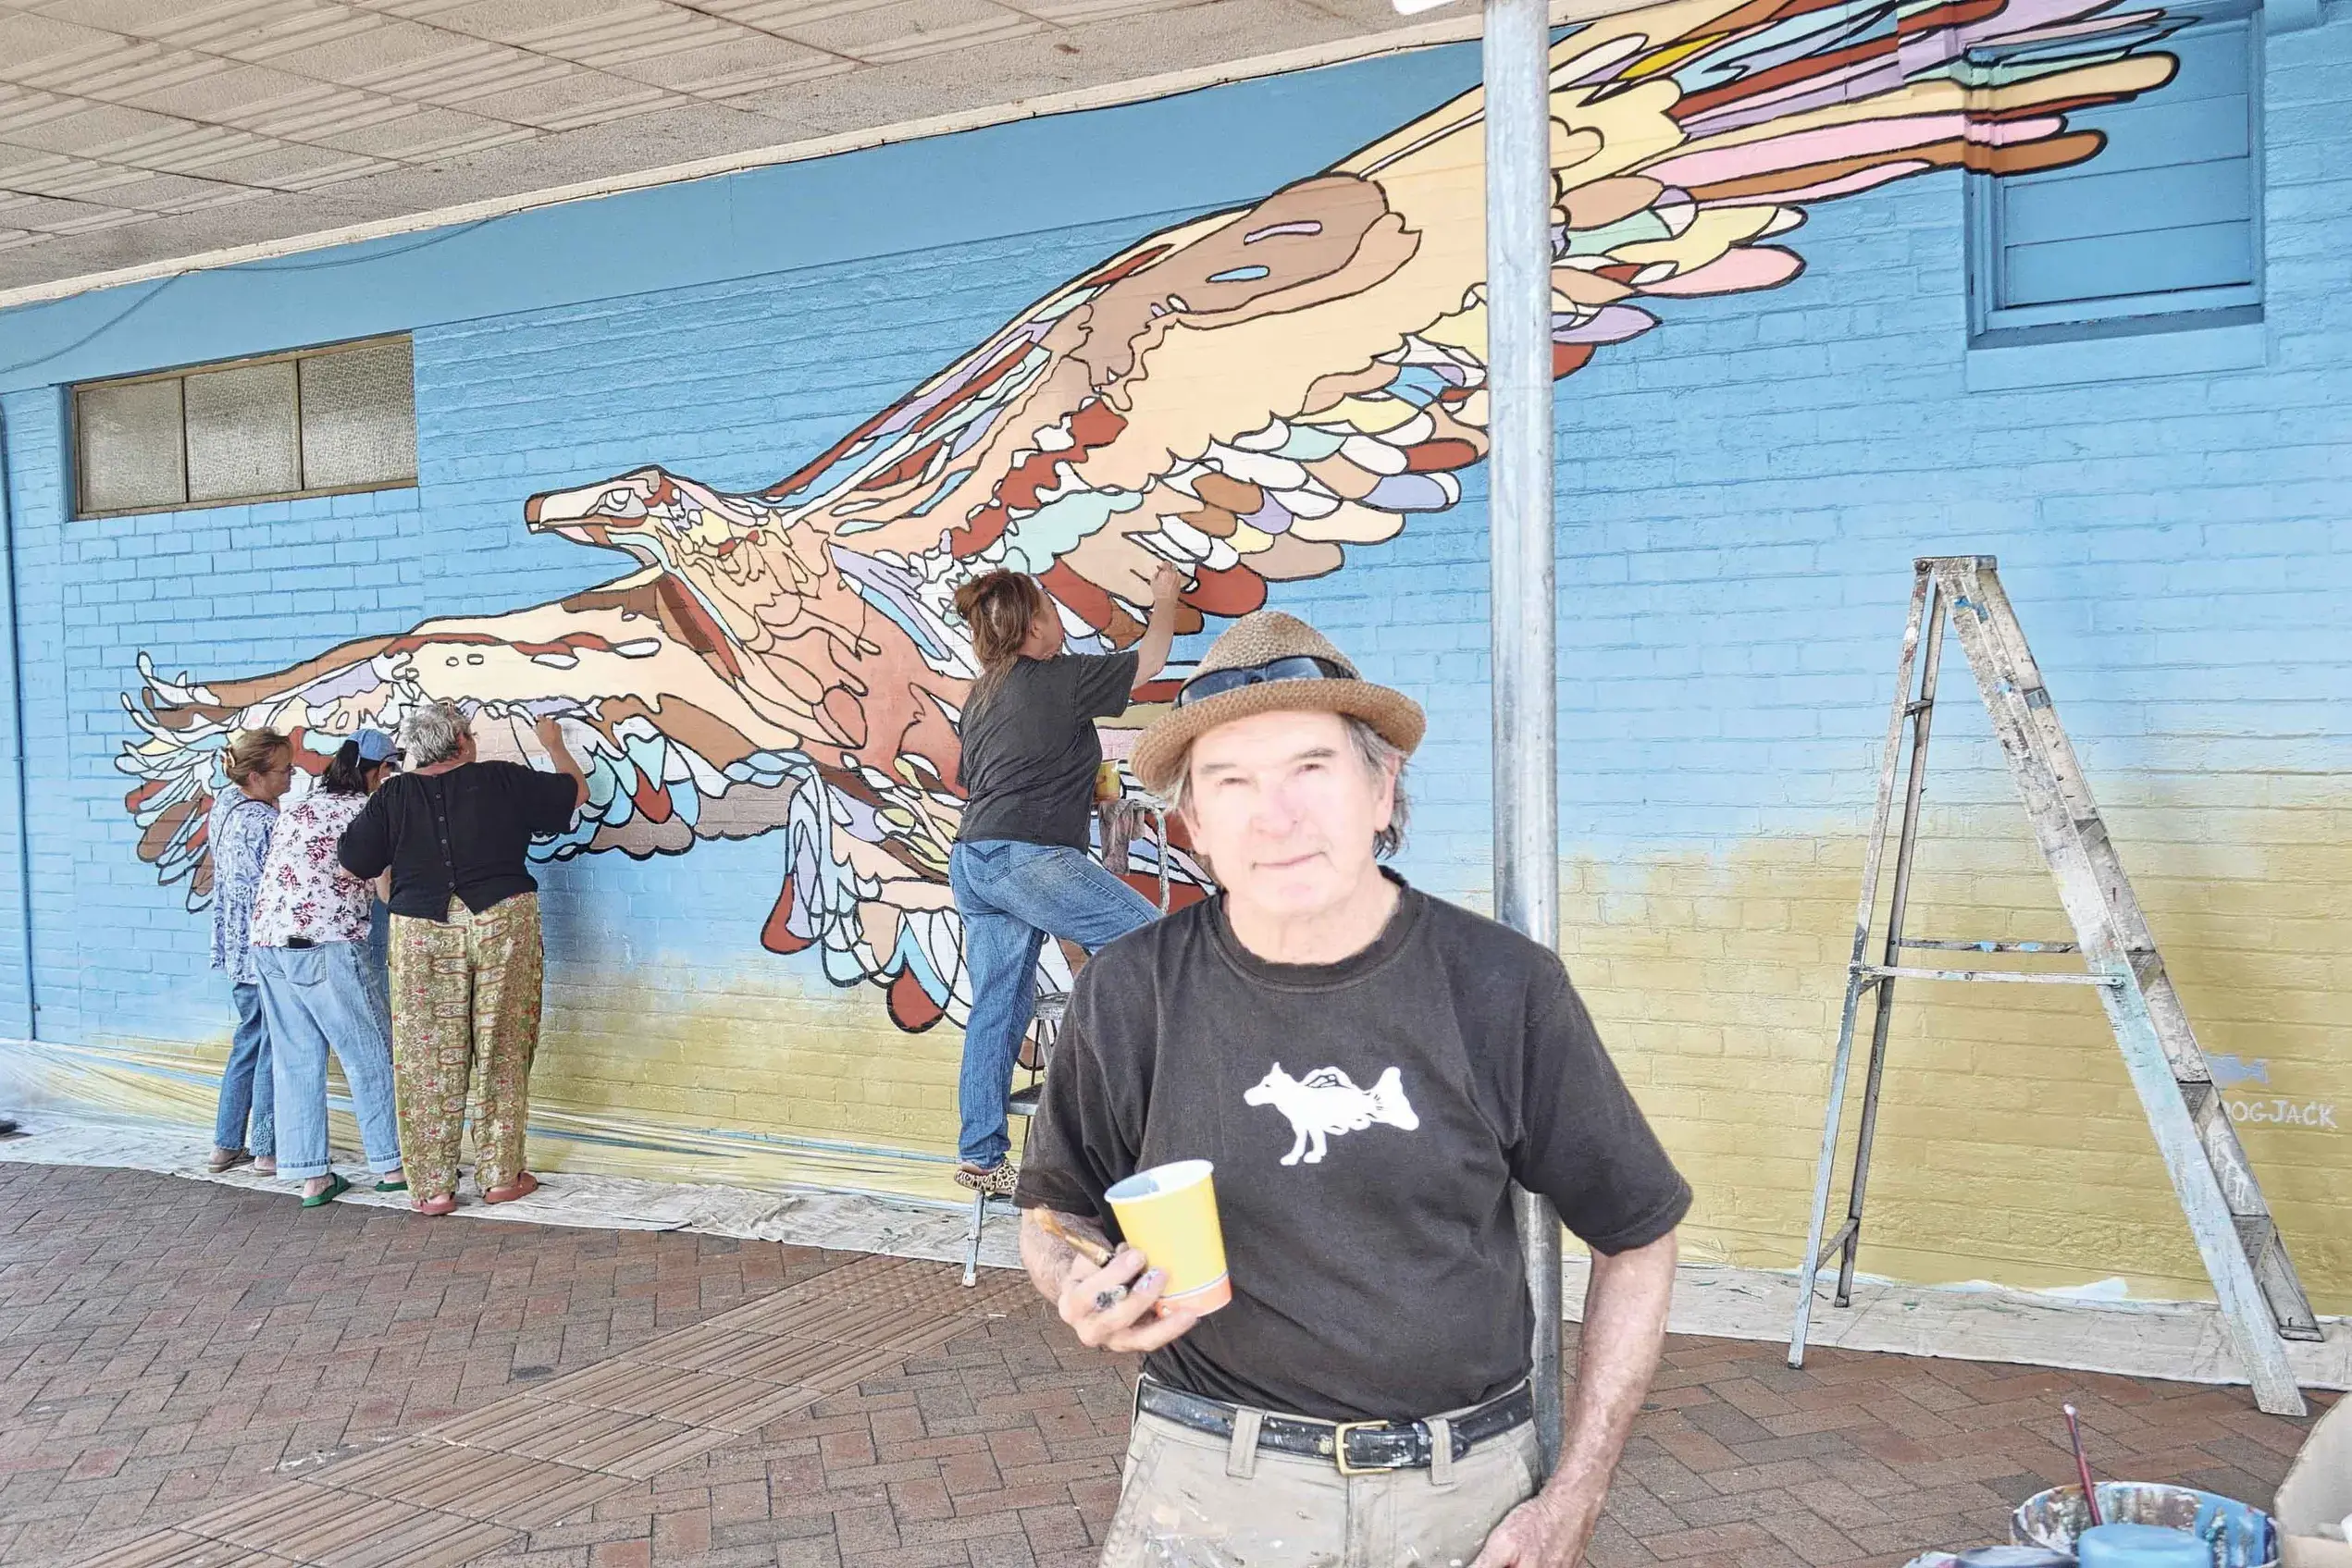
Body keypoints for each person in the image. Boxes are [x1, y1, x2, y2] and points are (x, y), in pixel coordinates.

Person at [1013, 611, 1690, 1568]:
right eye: (1230, 782)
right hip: (1209, 1487)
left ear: (1383, 786)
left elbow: (1638, 1234)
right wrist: (1075, 1278)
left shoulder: (1501, 987)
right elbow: (1053, 1207)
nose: (1273, 816)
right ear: (1195, 824)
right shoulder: (1130, 993)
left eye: (1310, 769)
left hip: (1464, 1497)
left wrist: (1574, 1495)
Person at [949, 563, 1185, 1198]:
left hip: (975, 859)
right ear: (1033, 628)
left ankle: (981, 1155)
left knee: (1000, 1003)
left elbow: (984, 776)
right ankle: (1136, 1110)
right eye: (1052, 610)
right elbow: (1154, 658)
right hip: (1030, 856)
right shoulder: (1064, 677)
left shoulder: (983, 694)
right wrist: (1165, 597)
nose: (1061, 621)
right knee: (1156, 944)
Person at [338, 701, 586, 1216]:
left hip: (421, 931)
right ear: (463, 743)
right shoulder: (501, 779)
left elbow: (357, 858)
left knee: (427, 1056)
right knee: (504, 1045)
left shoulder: (393, 795)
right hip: (503, 921)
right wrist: (555, 746)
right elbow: (574, 793)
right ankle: (499, 1176)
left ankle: (433, 1189)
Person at [250, 730, 407, 1207]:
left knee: (296, 1060)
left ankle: (311, 1177)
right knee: (369, 1053)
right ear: (378, 772)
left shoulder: (298, 806)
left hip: (269, 943)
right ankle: (392, 1164)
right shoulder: (368, 813)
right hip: (327, 942)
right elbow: (384, 891)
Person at [206, 728, 293, 1177]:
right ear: (257, 775)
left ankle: (225, 1144)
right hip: (264, 949)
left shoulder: (225, 806)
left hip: (237, 950)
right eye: (284, 769)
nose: (292, 775)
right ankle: (266, 1148)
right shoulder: (264, 822)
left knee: (248, 1041)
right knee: (273, 1046)